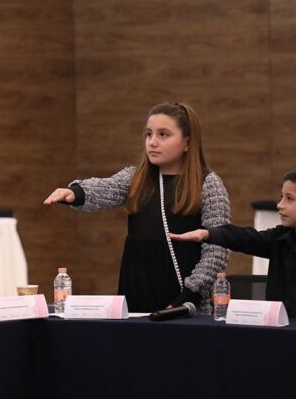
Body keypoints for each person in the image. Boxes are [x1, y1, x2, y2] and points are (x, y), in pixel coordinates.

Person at [43, 102, 231, 313]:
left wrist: (189, 294)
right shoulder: (136, 177)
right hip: (136, 294)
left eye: (163, 135)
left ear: (187, 142)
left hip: (184, 302)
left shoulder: (208, 183)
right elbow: (107, 188)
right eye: (149, 134)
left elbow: (217, 251)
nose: (152, 142)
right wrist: (76, 193)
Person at [169, 170, 296, 316]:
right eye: (281, 197)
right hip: (280, 327)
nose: (280, 205)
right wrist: (206, 233)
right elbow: (244, 237)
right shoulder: (281, 237)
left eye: (289, 198)